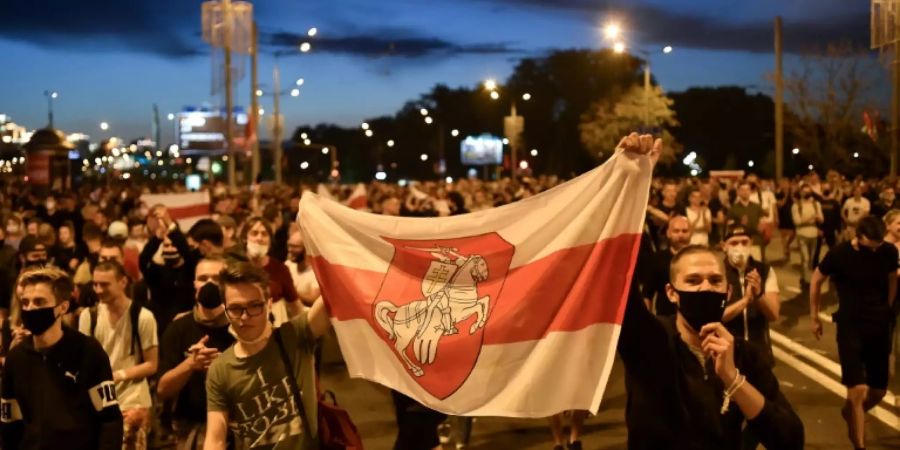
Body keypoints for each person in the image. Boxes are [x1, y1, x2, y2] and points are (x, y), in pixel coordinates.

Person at [617, 133, 804, 450]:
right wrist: (629, 185)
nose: (705, 287)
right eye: (693, 281)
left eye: (714, 280)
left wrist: (732, 379)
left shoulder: (744, 355)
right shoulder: (649, 339)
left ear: (727, 290)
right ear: (672, 292)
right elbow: (616, 271)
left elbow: (790, 439)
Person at [204, 261, 331, 450]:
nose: (245, 317)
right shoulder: (221, 369)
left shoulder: (294, 336)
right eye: (236, 308)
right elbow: (215, 439)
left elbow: (332, 296)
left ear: (269, 304)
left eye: (254, 306)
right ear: (225, 309)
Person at [1, 267, 123, 449]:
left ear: (63, 307)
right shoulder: (16, 359)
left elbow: (109, 419)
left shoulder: (88, 351)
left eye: (39, 302)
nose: (30, 308)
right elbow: (10, 425)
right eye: (25, 302)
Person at [810, 215, 897, 450]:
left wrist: (888, 308)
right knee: (857, 389)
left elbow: (892, 278)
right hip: (850, 326)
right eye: (872, 244)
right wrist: (814, 316)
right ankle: (859, 445)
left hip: (878, 326)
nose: (876, 248)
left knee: (878, 391)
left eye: (880, 243)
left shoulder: (888, 251)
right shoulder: (839, 254)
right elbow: (816, 279)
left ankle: (850, 411)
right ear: (858, 237)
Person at [79, 261, 159, 450]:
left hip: (133, 397)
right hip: (100, 398)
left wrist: (119, 375)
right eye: (95, 284)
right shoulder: (89, 316)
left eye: (104, 284)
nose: (98, 290)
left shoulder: (142, 316)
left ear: (123, 282)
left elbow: (151, 364)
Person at [157, 256, 234, 449]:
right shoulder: (178, 328)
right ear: (194, 284)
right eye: (203, 278)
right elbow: (163, 390)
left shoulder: (241, 327)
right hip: (189, 428)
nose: (210, 284)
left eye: (217, 279)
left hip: (235, 426)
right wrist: (191, 364)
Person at [721, 225, 780, 365]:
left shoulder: (764, 271)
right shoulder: (717, 273)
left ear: (751, 243)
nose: (740, 247)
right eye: (734, 243)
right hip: (727, 353)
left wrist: (759, 294)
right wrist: (746, 300)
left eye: (744, 242)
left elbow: (773, 314)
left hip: (759, 352)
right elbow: (716, 316)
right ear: (724, 246)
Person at [242, 217, 301, 325]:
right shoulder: (236, 268)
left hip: (275, 329)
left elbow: (295, 307)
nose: (259, 238)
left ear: (269, 240)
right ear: (245, 238)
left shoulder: (281, 269)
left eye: (264, 234)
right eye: (254, 233)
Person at [641, 215, 691, 316]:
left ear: (691, 233)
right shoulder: (657, 259)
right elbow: (647, 294)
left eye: (684, 231)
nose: (680, 235)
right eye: (676, 231)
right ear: (668, 233)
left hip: (694, 318)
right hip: (666, 318)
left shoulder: (700, 258)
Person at [791, 184, 824, 287]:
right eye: (804, 191)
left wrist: (815, 218)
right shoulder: (796, 206)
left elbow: (822, 219)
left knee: (811, 259)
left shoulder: (816, 204)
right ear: (800, 192)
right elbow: (797, 222)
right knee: (805, 258)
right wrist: (812, 218)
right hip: (802, 235)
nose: (806, 193)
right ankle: (806, 281)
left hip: (813, 234)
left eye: (808, 192)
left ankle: (808, 277)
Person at [726, 181, 764, 261]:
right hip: (740, 244)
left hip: (755, 242)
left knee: (756, 268)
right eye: (742, 190)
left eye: (747, 190)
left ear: (750, 191)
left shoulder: (756, 207)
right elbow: (730, 227)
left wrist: (762, 226)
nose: (745, 192)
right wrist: (740, 224)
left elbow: (762, 222)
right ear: (738, 192)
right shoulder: (733, 209)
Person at [285, 230, 320, 308]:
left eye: (295, 246)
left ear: (307, 249)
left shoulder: (316, 273)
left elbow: (314, 301)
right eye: (289, 245)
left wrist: (289, 290)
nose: (290, 249)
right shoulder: (288, 265)